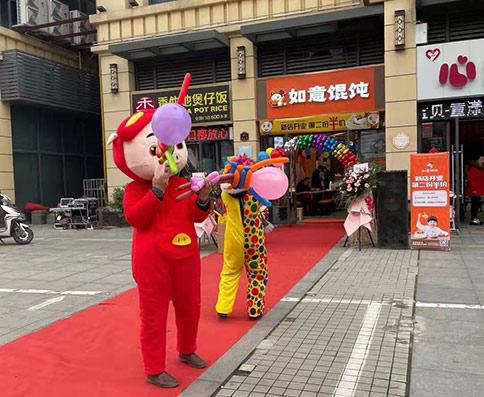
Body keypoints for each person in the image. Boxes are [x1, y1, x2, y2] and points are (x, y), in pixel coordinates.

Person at [108, 107, 213, 389]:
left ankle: (187, 349)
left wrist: (203, 198)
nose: (173, 153)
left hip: (187, 258)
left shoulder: (181, 184)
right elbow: (135, 217)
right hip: (153, 262)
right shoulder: (135, 189)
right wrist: (155, 188)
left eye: (178, 146)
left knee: (191, 307)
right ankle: (154, 368)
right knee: (153, 316)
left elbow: (197, 215)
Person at [215, 155, 278, 320]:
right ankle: (255, 309)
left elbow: (225, 188)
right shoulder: (255, 193)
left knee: (229, 271)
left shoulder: (226, 196)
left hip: (233, 239)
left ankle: (223, 307)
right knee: (257, 274)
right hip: (254, 239)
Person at [465, 156, 484, 225]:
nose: (482, 161)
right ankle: (473, 218)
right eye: (481, 159)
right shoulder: (473, 169)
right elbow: (471, 180)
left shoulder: (480, 169)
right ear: (476, 161)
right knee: (475, 204)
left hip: (478, 190)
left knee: (477, 204)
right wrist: (474, 189)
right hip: (474, 191)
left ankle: (475, 218)